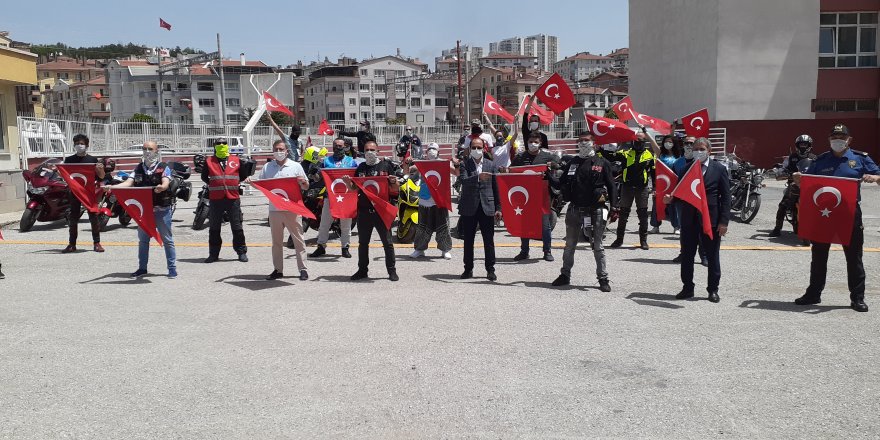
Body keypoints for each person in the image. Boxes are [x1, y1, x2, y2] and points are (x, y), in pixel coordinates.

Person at [792, 124, 880, 312]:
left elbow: (879, 175)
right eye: (834, 137)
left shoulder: (860, 158)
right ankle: (814, 293)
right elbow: (807, 181)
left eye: (841, 137)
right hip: (823, 214)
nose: (838, 140)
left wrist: (875, 178)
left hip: (849, 214)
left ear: (849, 140)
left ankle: (857, 298)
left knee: (854, 256)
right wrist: (799, 178)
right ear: (829, 140)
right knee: (819, 255)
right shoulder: (821, 160)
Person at [664, 137, 730, 303]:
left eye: (701, 149)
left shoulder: (719, 169)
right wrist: (670, 198)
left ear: (709, 151)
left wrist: (724, 221)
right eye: (695, 149)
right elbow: (679, 193)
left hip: (711, 220)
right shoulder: (687, 169)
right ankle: (687, 288)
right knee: (687, 255)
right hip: (689, 220)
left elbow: (726, 197)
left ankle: (713, 290)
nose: (698, 152)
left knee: (713, 256)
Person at [551, 132, 618, 291]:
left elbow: (612, 186)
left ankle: (603, 278)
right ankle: (565, 275)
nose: (582, 143)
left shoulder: (602, 162)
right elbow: (560, 184)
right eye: (580, 141)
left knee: (597, 246)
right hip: (575, 209)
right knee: (569, 245)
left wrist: (615, 206)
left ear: (594, 143)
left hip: (596, 210)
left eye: (586, 141)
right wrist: (547, 175)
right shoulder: (572, 162)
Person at [103, 141, 176, 278]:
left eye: (150, 149)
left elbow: (166, 181)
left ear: (157, 151)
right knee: (143, 241)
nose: (147, 151)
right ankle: (142, 268)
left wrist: (162, 187)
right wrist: (113, 187)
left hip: (161, 210)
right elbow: (128, 183)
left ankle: (172, 268)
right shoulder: (138, 168)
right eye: (144, 149)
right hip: (144, 211)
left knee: (167, 240)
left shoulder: (163, 167)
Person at [346, 140, 402, 281]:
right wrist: (348, 183)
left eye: (372, 149)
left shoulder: (386, 165)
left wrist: (394, 182)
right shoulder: (361, 168)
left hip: (381, 211)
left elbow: (396, 189)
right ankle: (362, 270)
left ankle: (391, 271)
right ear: (363, 152)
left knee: (387, 243)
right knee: (363, 243)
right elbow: (354, 188)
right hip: (364, 211)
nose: (369, 152)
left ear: (378, 151)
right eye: (367, 150)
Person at [256, 140, 310, 281]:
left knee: (298, 240)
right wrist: (252, 183)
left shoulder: (295, 166)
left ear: (286, 151)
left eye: (281, 149)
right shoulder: (268, 167)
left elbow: (306, 186)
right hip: (274, 210)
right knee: (277, 242)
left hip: (292, 208)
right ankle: (278, 270)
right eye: (276, 149)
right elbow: (261, 184)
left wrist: (302, 182)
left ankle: (303, 269)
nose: (279, 151)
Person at [454, 137, 502, 281]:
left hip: (487, 206)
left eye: (479, 147)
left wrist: (499, 208)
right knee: (468, 240)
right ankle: (468, 269)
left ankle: (490, 269)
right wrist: (478, 177)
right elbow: (464, 180)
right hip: (469, 207)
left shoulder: (491, 165)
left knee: (489, 240)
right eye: (474, 147)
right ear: (470, 149)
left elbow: (496, 188)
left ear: (484, 148)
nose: (476, 150)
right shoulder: (464, 164)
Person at [508, 132, 559, 262]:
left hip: (542, 194)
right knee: (525, 224)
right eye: (530, 142)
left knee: (545, 224)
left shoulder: (547, 156)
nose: (532, 144)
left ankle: (547, 251)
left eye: (535, 142)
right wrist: (505, 170)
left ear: (540, 143)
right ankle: (524, 251)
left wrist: (551, 166)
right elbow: (511, 170)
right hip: (525, 195)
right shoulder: (520, 157)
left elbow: (558, 164)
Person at [201, 138, 248, 263]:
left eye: (224, 143)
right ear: (214, 146)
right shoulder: (209, 161)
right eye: (218, 143)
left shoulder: (236, 160)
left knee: (237, 226)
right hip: (216, 199)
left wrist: (231, 183)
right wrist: (215, 183)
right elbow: (204, 176)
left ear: (227, 145)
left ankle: (241, 252)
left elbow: (243, 175)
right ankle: (213, 254)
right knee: (214, 227)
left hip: (232, 198)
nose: (221, 145)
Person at [310, 138, 357, 258]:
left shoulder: (351, 162)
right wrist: (313, 172)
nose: (337, 148)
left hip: (346, 198)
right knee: (324, 223)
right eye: (335, 145)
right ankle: (321, 247)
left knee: (346, 224)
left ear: (345, 147)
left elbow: (356, 180)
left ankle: (345, 247)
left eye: (340, 146)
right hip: (330, 197)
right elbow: (317, 178)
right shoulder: (326, 161)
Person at [610, 129, 655, 250]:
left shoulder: (649, 155)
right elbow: (610, 156)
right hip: (627, 187)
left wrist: (655, 187)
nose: (638, 142)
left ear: (644, 141)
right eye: (636, 140)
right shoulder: (626, 153)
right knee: (623, 215)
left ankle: (643, 241)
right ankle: (619, 240)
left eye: (640, 140)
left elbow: (654, 173)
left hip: (642, 188)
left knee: (643, 215)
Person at [410, 143, 457, 259]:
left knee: (443, 227)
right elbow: (408, 171)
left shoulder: (444, 162)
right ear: (426, 152)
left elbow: (456, 172)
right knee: (422, 227)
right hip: (424, 200)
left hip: (439, 200)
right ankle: (419, 249)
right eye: (429, 149)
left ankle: (445, 249)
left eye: (434, 149)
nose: (432, 151)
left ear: (438, 152)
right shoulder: (422, 163)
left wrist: (455, 164)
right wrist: (407, 162)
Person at [62, 134, 106, 253]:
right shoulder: (69, 160)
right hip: (74, 192)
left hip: (89, 191)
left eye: (81, 143)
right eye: (76, 143)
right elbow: (64, 175)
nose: (79, 145)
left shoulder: (92, 160)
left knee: (93, 217)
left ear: (86, 145)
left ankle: (97, 243)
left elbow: (101, 176)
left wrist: (100, 169)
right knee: (73, 218)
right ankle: (72, 244)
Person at [769, 134, 817, 239]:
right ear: (797, 145)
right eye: (801, 144)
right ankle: (777, 229)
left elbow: (818, 170)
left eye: (805, 144)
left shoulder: (814, 158)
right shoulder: (792, 157)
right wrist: (782, 173)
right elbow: (785, 168)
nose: (803, 146)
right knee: (783, 205)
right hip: (793, 184)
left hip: (809, 185)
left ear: (809, 145)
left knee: (818, 204)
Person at [649, 134, 681, 234]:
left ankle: (676, 227)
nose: (668, 143)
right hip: (661, 183)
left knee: (674, 206)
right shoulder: (660, 154)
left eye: (670, 142)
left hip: (674, 184)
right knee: (657, 204)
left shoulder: (679, 155)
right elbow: (652, 142)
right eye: (666, 141)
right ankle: (655, 226)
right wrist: (645, 131)